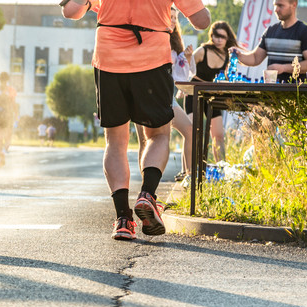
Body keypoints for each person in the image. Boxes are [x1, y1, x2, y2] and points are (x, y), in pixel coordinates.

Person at [62, 0, 210, 240]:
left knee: (115, 141)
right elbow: (202, 21)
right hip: (152, 59)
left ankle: (123, 219)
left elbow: (70, 11)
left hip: (109, 58)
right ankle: (148, 194)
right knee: (159, 134)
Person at [135, 7, 195, 183]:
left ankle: (189, 177)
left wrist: (189, 58)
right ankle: (146, 189)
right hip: (144, 94)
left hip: (167, 97)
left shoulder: (175, 43)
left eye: (175, 17)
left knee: (190, 130)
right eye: (170, 16)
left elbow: (179, 75)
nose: (173, 20)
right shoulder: (148, 36)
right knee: (145, 142)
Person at [185, 21, 238, 163]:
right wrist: (182, 88)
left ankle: (221, 169)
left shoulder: (228, 56)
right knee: (192, 132)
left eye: (223, 37)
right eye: (216, 36)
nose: (219, 39)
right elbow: (186, 68)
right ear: (211, 36)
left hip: (213, 96)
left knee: (218, 135)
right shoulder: (203, 51)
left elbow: (228, 77)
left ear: (228, 38)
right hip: (194, 94)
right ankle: (188, 172)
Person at [233, 0, 307, 84]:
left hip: (297, 93)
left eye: (280, 5)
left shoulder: (305, 32)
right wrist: (238, 55)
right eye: (275, 5)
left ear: (294, 5)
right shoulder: (270, 31)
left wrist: (284, 68)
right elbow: (255, 58)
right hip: (272, 93)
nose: (276, 9)